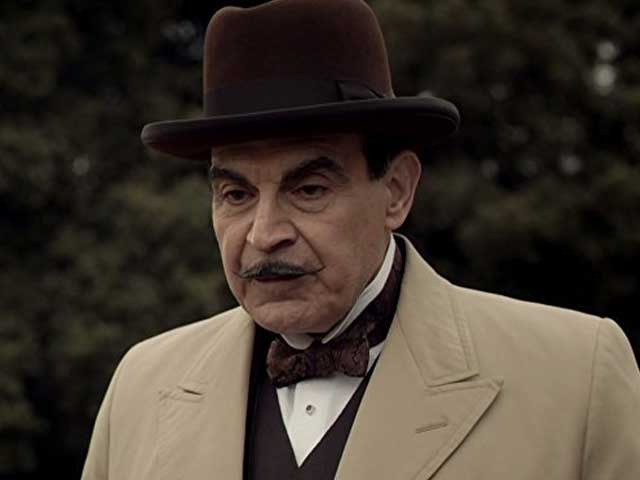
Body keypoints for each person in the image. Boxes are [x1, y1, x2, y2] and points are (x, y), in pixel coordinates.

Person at [82, 0, 640, 479]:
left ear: (396, 190)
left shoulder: (577, 377)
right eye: (236, 194)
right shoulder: (141, 385)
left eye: (309, 189)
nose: (264, 234)